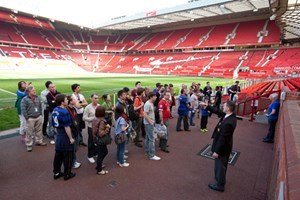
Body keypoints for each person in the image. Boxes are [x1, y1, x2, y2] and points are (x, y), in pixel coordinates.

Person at [200, 100, 237, 192]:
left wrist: (217, 151)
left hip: (222, 148)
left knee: (220, 166)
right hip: (223, 146)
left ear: (228, 108)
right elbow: (217, 111)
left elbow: (223, 139)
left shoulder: (229, 122)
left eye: (224, 106)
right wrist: (207, 106)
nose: (222, 107)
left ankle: (220, 185)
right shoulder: (229, 116)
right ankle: (219, 178)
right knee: (220, 165)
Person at [52, 94, 76, 181]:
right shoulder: (64, 111)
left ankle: (56, 172)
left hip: (58, 135)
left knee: (58, 155)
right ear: (62, 102)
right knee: (67, 155)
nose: (67, 101)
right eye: (66, 99)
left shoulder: (55, 110)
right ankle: (67, 173)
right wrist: (71, 138)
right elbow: (66, 127)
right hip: (64, 135)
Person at [21, 86, 47, 152]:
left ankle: (38, 141)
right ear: (28, 92)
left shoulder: (37, 97)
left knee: (39, 130)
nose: (34, 91)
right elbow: (23, 109)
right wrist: (27, 117)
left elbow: (40, 106)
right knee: (29, 132)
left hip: (38, 117)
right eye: (33, 90)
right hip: (30, 118)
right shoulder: (24, 99)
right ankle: (29, 145)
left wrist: (40, 114)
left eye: (34, 90)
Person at [92, 106, 110, 175]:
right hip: (101, 140)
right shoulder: (102, 121)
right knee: (102, 153)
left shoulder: (95, 119)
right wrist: (107, 128)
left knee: (102, 152)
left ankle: (99, 165)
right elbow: (101, 133)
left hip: (96, 139)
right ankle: (99, 169)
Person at [83, 94, 99, 163]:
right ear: (91, 99)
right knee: (91, 141)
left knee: (97, 140)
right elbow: (84, 118)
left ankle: (95, 153)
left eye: (97, 98)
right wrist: (93, 119)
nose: (96, 100)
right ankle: (90, 155)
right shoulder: (88, 107)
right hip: (91, 127)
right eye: (95, 98)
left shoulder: (99, 106)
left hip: (98, 126)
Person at [144, 92, 160, 160]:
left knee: (148, 137)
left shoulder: (150, 103)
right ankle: (151, 155)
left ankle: (147, 150)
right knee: (151, 138)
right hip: (149, 123)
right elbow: (145, 114)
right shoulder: (148, 104)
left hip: (149, 123)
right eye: (155, 96)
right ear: (151, 97)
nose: (156, 97)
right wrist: (150, 122)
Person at [66, 95, 81, 169]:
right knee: (72, 148)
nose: (76, 100)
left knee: (75, 148)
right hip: (72, 131)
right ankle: (72, 162)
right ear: (71, 101)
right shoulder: (67, 110)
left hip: (76, 130)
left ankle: (73, 161)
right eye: (74, 99)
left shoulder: (73, 109)